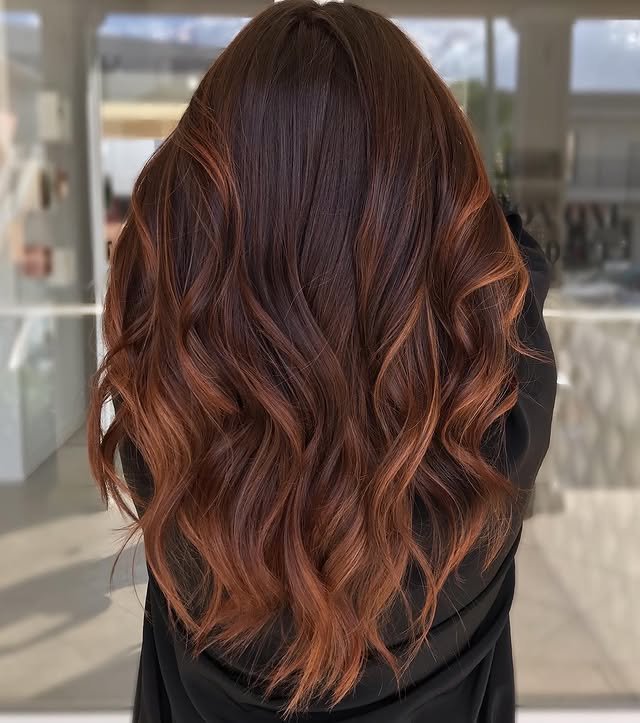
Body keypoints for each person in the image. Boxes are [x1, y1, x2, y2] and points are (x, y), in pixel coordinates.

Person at [87, 2, 556, 721]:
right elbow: (514, 268)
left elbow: (154, 290)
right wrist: (431, 183)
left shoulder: (165, 448)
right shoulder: (499, 441)